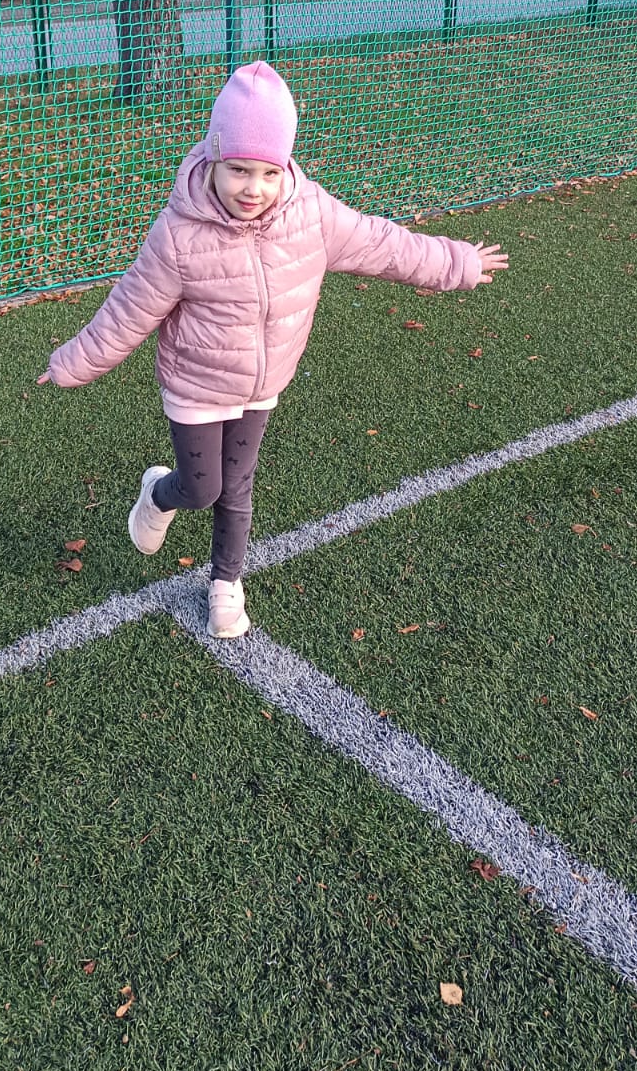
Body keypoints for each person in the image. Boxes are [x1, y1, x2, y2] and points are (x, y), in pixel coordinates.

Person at [37, 61, 508, 639]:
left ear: (285, 166)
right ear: (212, 159)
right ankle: (159, 494)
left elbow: (384, 245)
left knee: (237, 487)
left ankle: (225, 583)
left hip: (264, 383)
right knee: (202, 487)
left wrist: (456, 262)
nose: (252, 188)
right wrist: (72, 362)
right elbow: (130, 308)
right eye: (238, 170)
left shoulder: (311, 214)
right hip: (197, 385)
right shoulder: (179, 234)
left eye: (267, 172)